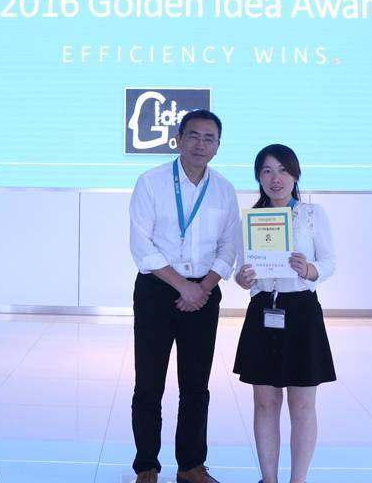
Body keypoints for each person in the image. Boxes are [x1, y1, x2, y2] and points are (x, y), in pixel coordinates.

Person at [130, 109, 241, 483]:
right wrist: (183, 286)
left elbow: (229, 247)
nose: (201, 144)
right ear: (178, 139)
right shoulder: (151, 182)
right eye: (194, 135)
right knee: (149, 383)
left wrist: (203, 288)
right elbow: (141, 246)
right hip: (157, 291)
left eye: (210, 138)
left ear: (218, 146)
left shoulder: (224, 189)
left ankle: (191, 465)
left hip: (204, 294)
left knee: (196, 385)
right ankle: (146, 464)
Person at [234, 144, 336, 483]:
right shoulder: (251, 219)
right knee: (265, 402)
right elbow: (241, 270)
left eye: (282, 170)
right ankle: (269, 479)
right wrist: (243, 278)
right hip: (263, 309)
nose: (275, 178)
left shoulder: (311, 214)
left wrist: (308, 270)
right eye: (266, 171)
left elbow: (329, 261)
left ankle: (298, 480)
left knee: (302, 404)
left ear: (295, 174)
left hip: (302, 311)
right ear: (258, 177)